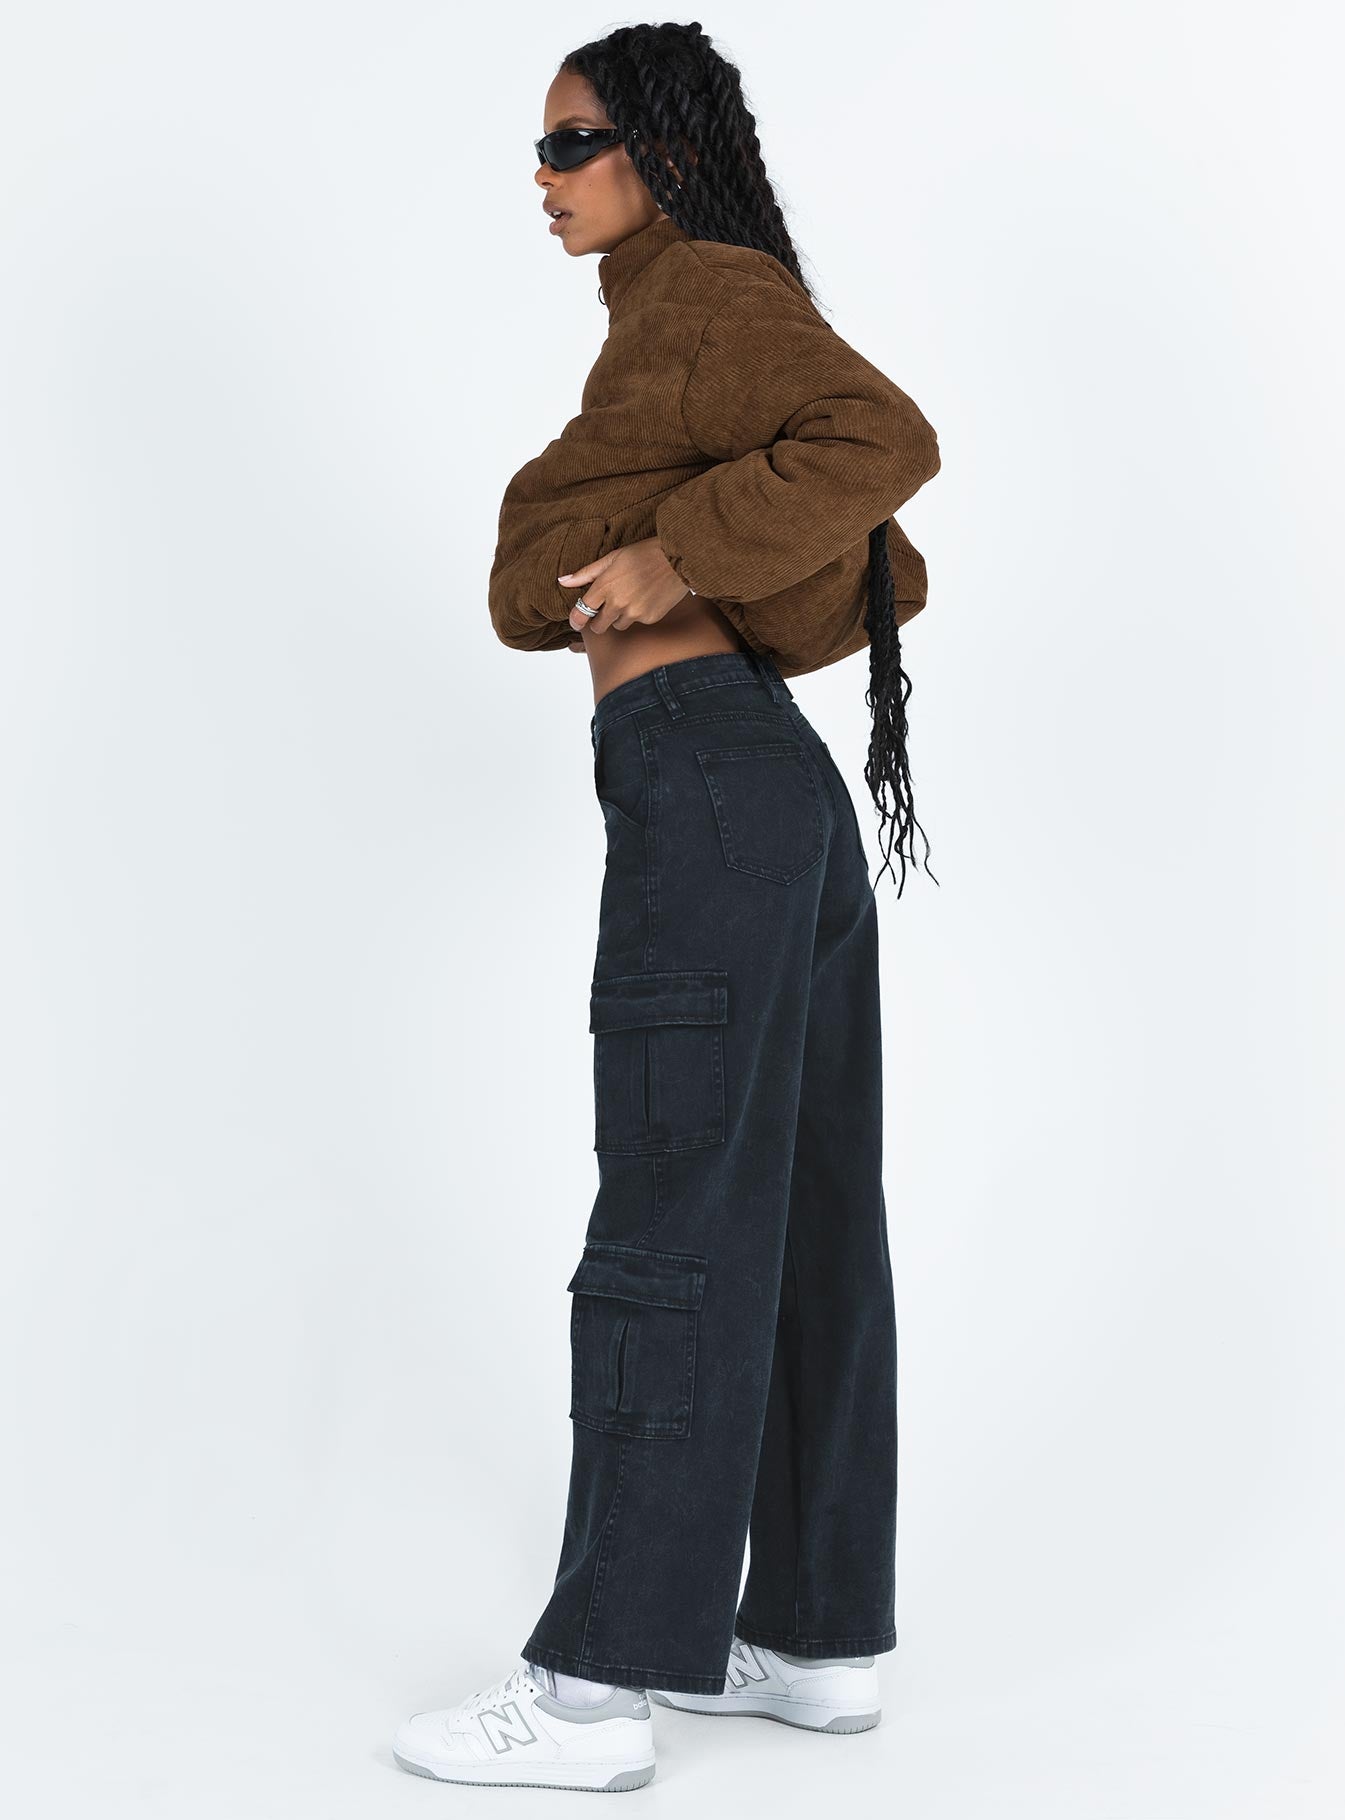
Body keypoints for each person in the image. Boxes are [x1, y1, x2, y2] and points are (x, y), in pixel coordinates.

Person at [393, 20, 941, 1792]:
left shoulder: (703, 292)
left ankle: (591, 1692)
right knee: (802, 1213)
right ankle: (815, 1640)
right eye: (542, 149)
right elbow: (532, 585)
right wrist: (634, 554)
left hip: (709, 782)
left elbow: (883, 434)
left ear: (663, 151)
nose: (544, 177)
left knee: (670, 1217)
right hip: (764, 792)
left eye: (573, 143)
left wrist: (672, 553)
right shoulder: (667, 325)